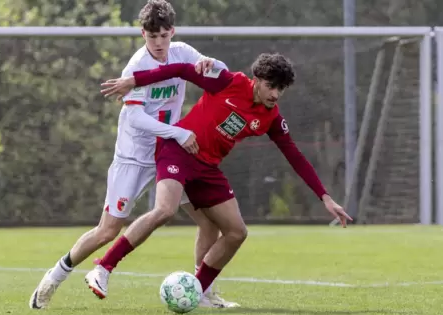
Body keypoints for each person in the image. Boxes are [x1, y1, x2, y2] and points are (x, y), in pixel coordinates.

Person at [90, 53, 353, 300]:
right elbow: (182, 70)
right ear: (257, 80)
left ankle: (199, 291)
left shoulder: (270, 117)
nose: (275, 94)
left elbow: (294, 155)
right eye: (271, 86)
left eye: (280, 89)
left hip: (207, 168)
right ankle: (104, 267)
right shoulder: (229, 81)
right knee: (165, 210)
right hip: (178, 150)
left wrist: (325, 198)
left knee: (236, 232)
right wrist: (133, 81)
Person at [29, 0, 239, 309]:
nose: (158, 43)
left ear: (172, 32)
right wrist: (179, 132)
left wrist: (210, 61)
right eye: (152, 37)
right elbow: (137, 118)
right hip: (134, 156)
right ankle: (55, 276)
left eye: (163, 36)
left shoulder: (183, 52)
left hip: (170, 155)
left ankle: (203, 293)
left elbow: (216, 72)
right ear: (143, 34)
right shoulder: (137, 67)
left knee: (209, 224)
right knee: (107, 230)